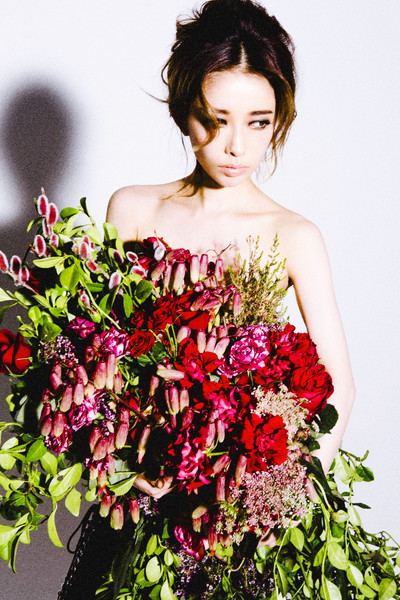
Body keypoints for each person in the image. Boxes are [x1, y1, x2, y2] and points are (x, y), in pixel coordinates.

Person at [59, 0, 355, 597]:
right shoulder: (133, 208)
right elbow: (90, 355)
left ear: (280, 118)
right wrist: (118, 459)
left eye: (258, 122)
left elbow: (339, 388)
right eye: (214, 119)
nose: (235, 146)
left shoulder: (294, 235)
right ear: (182, 109)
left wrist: (276, 501)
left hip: (231, 523)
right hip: (141, 506)